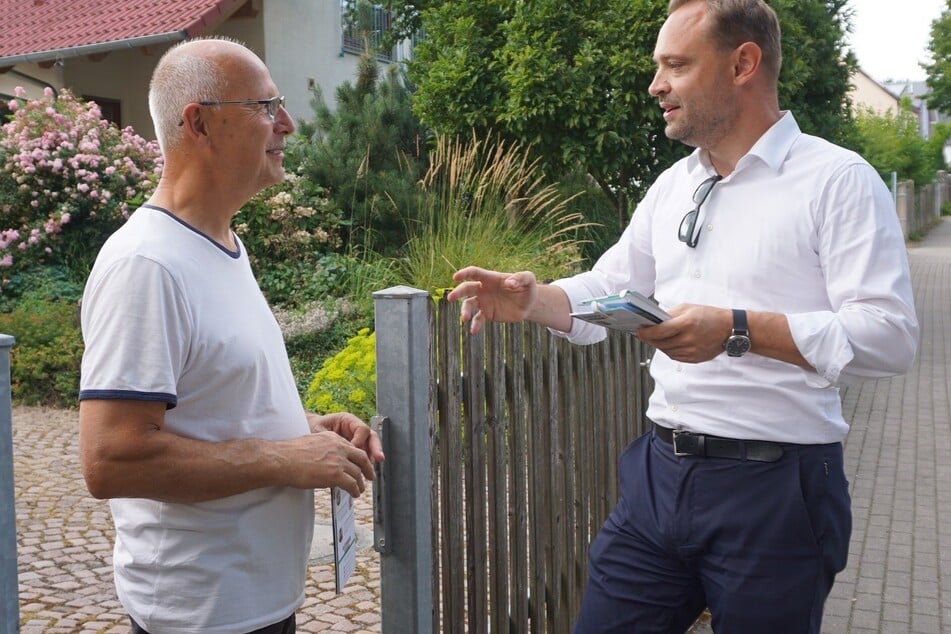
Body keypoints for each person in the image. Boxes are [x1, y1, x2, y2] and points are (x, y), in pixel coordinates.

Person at [447, 0, 918, 631]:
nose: (656, 85)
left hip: (777, 490)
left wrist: (738, 329)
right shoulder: (674, 186)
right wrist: (535, 299)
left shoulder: (837, 181)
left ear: (743, 63)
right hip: (657, 474)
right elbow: (611, 288)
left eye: (675, 65)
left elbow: (890, 338)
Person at [77, 36, 384, 634]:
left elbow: (211, 402)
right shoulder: (148, 265)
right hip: (202, 614)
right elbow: (110, 459)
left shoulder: (220, 246)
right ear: (199, 124)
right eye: (266, 107)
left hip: (250, 603)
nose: (288, 124)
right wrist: (280, 456)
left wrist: (305, 432)